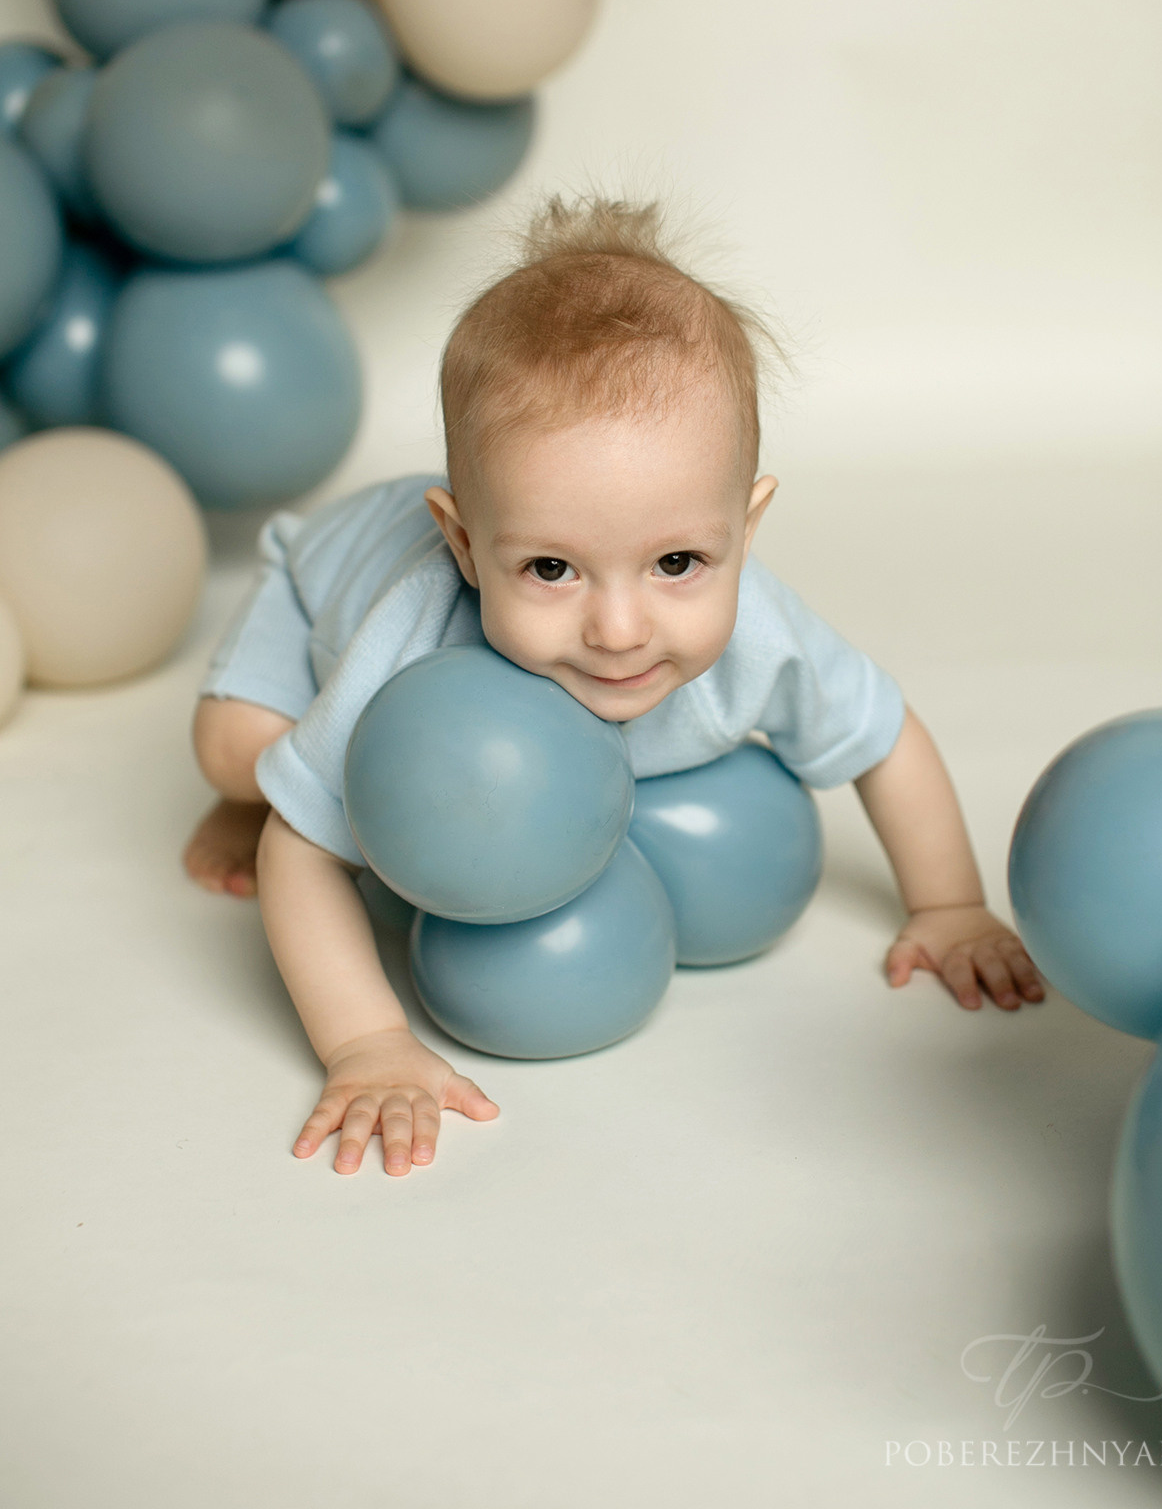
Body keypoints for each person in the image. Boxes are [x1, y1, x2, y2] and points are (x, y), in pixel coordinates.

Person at [184, 196, 1044, 1178]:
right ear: (463, 545)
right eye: (551, 569)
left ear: (745, 528)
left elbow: (884, 737)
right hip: (317, 580)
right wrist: (367, 1042)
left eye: (677, 562)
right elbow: (300, 851)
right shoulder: (412, 643)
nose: (621, 631)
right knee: (240, 753)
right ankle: (240, 788)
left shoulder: (761, 630)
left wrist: (948, 906)